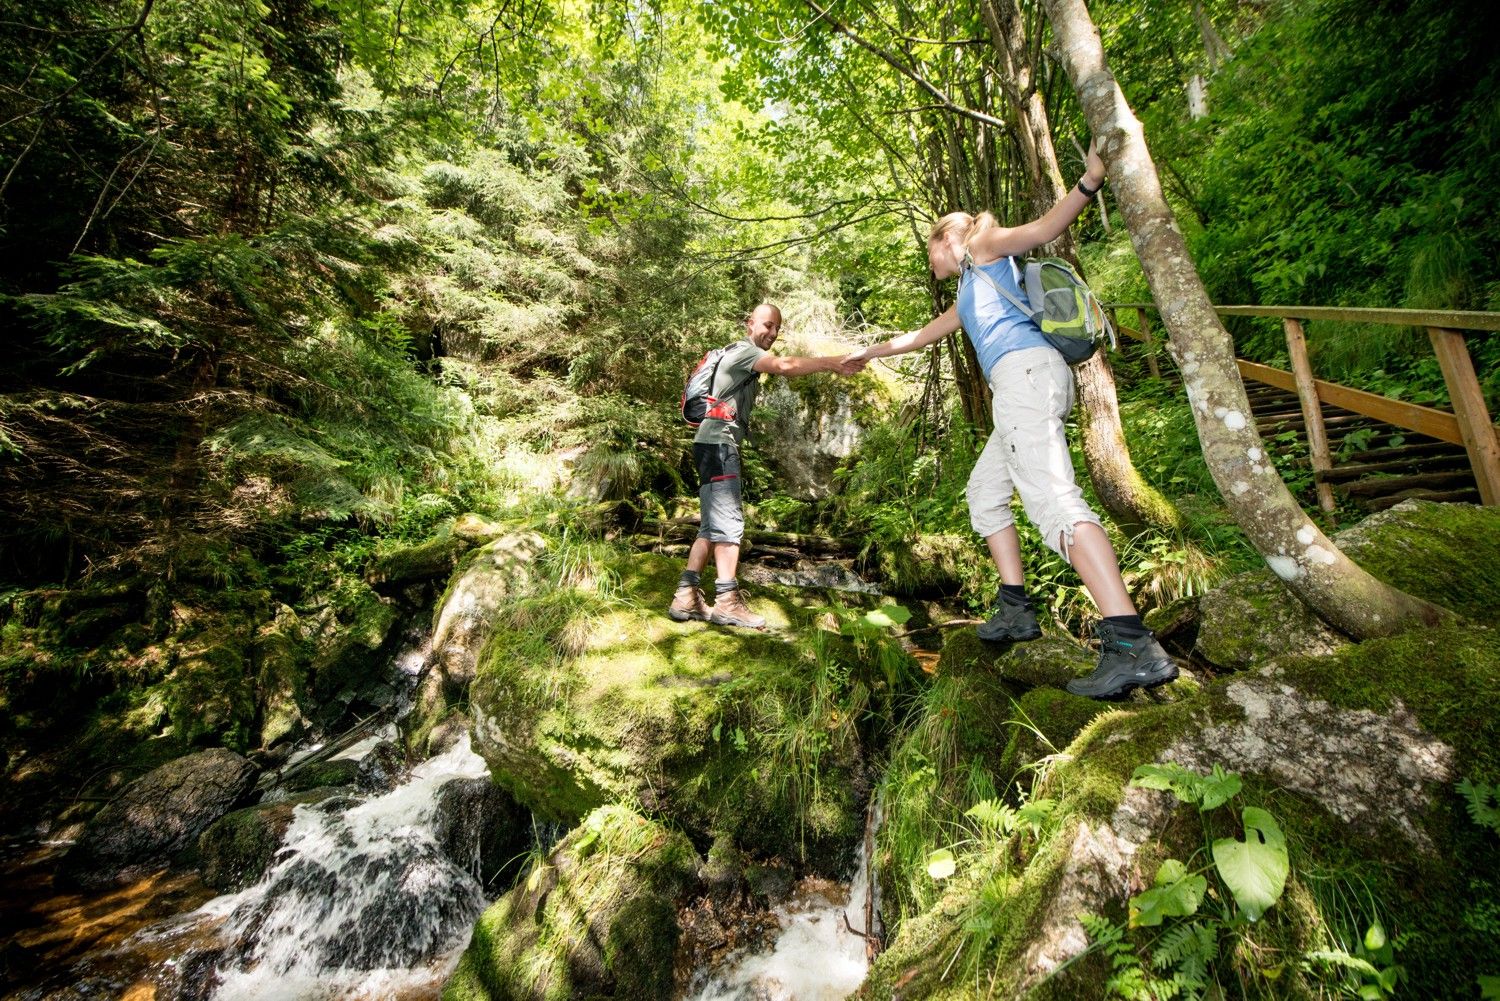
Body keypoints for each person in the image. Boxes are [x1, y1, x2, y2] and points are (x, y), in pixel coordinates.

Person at [840, 145, 1177, 700]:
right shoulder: (971, 287)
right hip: (1021, 387)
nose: (931, 265)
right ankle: (1016, 608)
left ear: (947, 238)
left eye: (930, 253)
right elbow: (922, 335)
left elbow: (1045, 228)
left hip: (1026, 379)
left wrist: (1090, 181)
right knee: (984, 493)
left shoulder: (984, 244)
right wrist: (867, 354)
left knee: (1054, 502)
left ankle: (1130, 643)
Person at [670, 303, 865, 630]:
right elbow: (785, 366)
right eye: (767, 325)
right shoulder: (744, 352)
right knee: (730, 522)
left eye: (777, 328)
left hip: (710, 443)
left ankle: (686, 594)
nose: (772, 333)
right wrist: (833, 363)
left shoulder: (736, 354)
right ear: (750, 324)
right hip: (719, 445)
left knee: (711, 524)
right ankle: (727, 602)